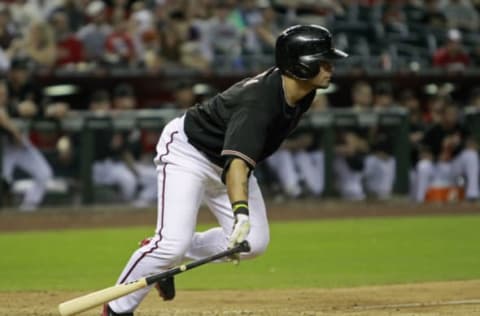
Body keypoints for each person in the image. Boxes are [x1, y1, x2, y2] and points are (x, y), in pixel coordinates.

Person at [103, 24, 347, 315]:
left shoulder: (302, 91)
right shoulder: (259, 102)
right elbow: (237, 166)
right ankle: (118, 307)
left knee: (253, 243)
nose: (330, 67)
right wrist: (240, 211)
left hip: (225, 163)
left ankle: (167, 256)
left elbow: (236, 164)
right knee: (170, 244)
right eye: (323, 61)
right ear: (300, 66)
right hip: (188, 153)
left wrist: (241, 216)